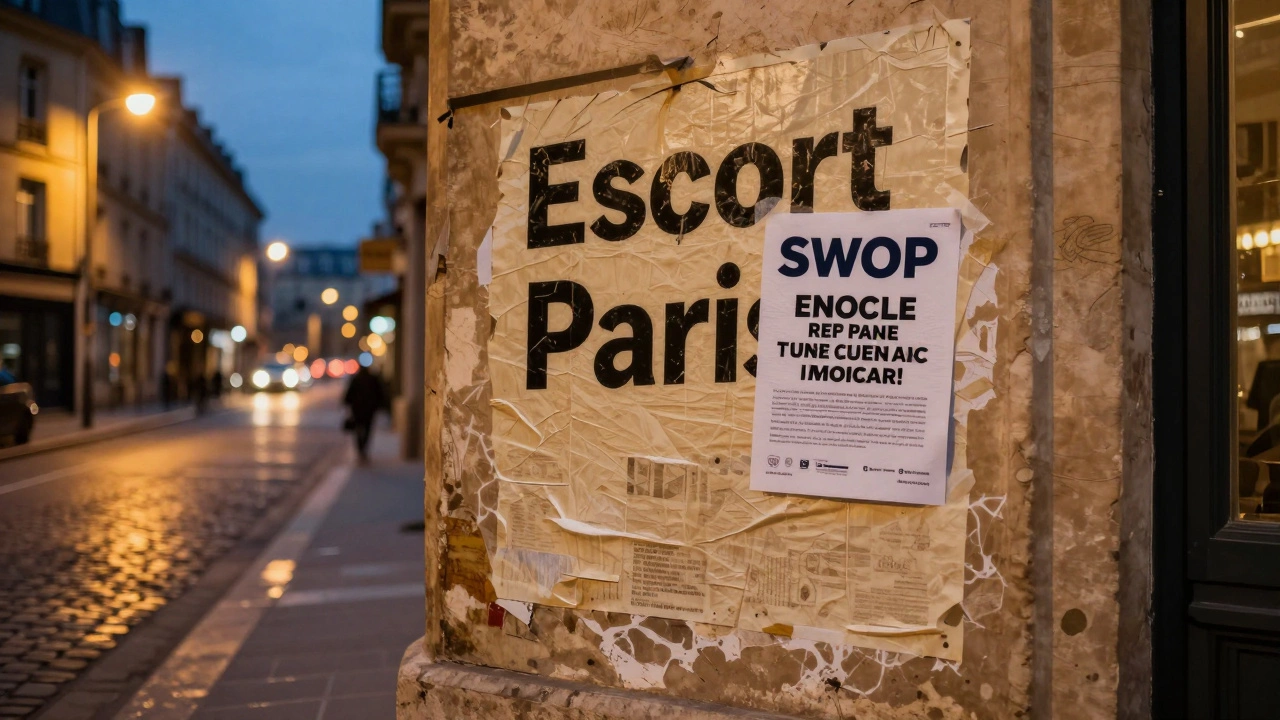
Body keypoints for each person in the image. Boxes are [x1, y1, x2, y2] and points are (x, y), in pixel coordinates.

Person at [343, 365, 386, 461]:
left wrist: (347, 403)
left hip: (358, 409)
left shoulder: (356, 379)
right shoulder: (372, 379)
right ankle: (363, 447)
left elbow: (349, 394)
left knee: (359, 428)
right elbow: (380, 393)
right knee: (367, 428)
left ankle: (361, 448)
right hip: (369, 409)